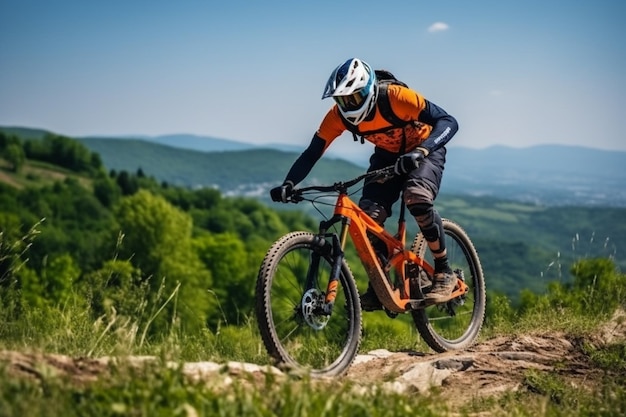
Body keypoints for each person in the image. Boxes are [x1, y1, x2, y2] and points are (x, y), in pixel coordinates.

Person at [270, 57, 459, 310]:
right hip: (387, 159)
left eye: (354, 98)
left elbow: (448, 121)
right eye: (342, 99)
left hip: (424, 150)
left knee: (416, 197)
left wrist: (422, 151)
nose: (348, 105)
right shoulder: (338, 116)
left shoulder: (396, 97)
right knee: (367, 218)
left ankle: (444, 271)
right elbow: (313, 151)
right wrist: (289, 183)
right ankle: (381, 286)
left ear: (368, 90)